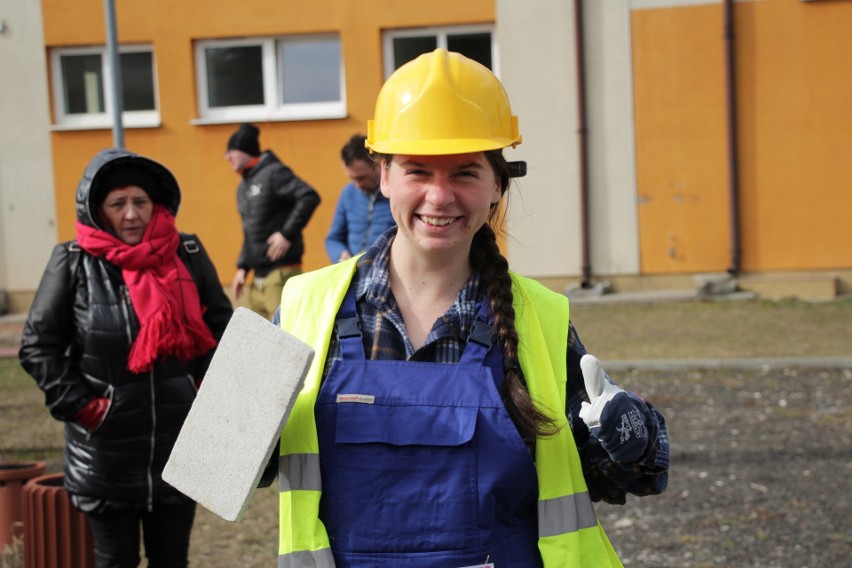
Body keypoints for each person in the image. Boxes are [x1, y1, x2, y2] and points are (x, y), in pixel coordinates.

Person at [270, 50, 669, 566]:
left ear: (497, 184)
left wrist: (632, 437)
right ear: (383, 175)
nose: (440, 197)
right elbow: (219, 470)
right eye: (417, 171)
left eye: (464, 173)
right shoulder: (305, 307)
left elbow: (623, 477)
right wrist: (224, 423)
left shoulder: (537, 317)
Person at [19, 148, 233, 568]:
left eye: (141, 202)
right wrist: (85, 408)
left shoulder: (186, 253)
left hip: (178, 447)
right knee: (114, 561)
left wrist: (205, 390)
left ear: (158, 206)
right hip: (105, 453)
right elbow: (38, 345)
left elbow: (223, 330)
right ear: (98, 210)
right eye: (118, 204)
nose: (132, 214)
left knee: (172, 560)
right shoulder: (74, 262)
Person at [225, 123, 321, 319]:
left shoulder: (274, 173)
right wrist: (243, 267)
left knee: (288, 337)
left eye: (231, 152)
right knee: (264, 343)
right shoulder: (243, 187)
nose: (227, 158)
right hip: (257, 280)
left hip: (280, 275)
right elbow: (250, 231)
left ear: (245, 150)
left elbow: (309, 196)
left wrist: (286, 234)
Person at [324, 133, 395, 263]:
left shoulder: (396, 195)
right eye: (352, 179)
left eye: (361, 178)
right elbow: (333, 239)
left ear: (378, 166)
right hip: (352, 272)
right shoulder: (348, 194)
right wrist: (341, 255)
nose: (357, 185)